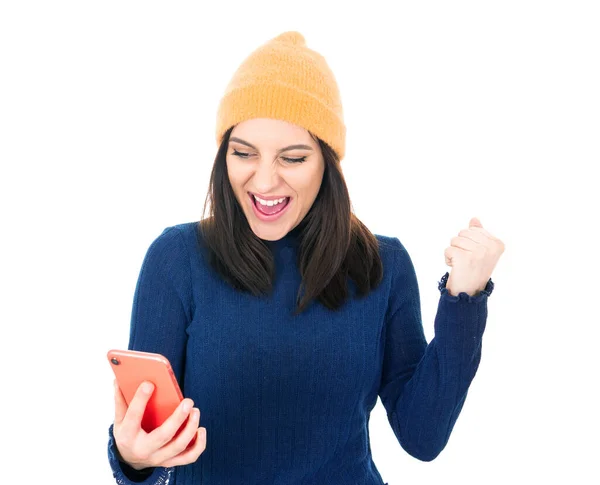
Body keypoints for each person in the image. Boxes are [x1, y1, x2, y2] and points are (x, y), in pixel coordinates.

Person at [107, 31, 503, 485]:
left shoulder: (383, 266)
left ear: (327, 164)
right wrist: (133, 457)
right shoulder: (177, 260)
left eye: (292, 158)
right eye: (243, 153)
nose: (265, 180)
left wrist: (465, 298)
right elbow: (147, 442)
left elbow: (423, 437)